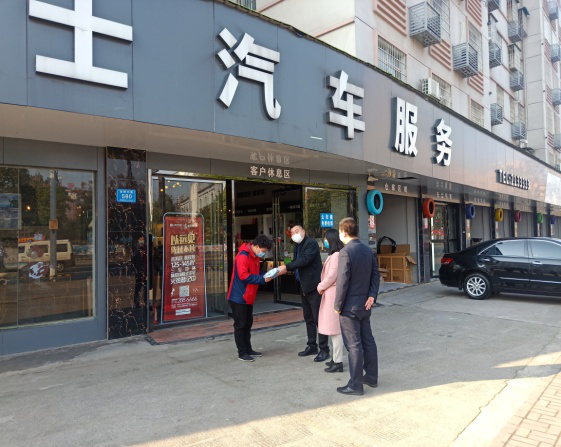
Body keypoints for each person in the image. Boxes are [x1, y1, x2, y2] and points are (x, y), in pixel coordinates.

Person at [334, 217, 380, 396]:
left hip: (349, 307)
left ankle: (355, 385)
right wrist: (372, 295)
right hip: (365, 305)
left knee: (354, 346)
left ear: (344, 232)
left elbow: (342, 281)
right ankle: (372, 377)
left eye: (340, 232)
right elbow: (375, 275)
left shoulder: (345, 252)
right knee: (368, 341)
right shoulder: (368, 250)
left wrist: (337, 305)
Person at [279, 224, 329, 362]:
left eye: (297, 231)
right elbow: (297, 261)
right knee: (308, 318)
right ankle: (312, 345)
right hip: (303, 287)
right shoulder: (297, 245)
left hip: (314, 287)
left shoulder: (311, 244)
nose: (295, 234)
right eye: (292, 232)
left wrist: (286, 267)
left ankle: (324, 349)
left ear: (303, 231)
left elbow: (304, 260)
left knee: (319, 319)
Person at [228, 234, 274, 362]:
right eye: (263, 251)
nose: (263, 254)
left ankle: (248, 349)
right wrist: (262, 279)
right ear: (257, 247)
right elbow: (243, 276)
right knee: (240, 325)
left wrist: (266, 274)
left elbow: (255, 273)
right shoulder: (243, 256)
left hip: (248, 296)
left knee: (247, 324)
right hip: (239, 297)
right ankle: (242, 353)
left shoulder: (254, 256)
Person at [317, 229, 345, 373]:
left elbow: (331, 276)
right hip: (331, 293)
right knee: (333, 329)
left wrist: (320, 286)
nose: (325, 241)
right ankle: (335, 358)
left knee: (335, 330)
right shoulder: (335, 255)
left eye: (326, 239)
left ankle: (338, 361)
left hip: (332, 294)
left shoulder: (336, 255)